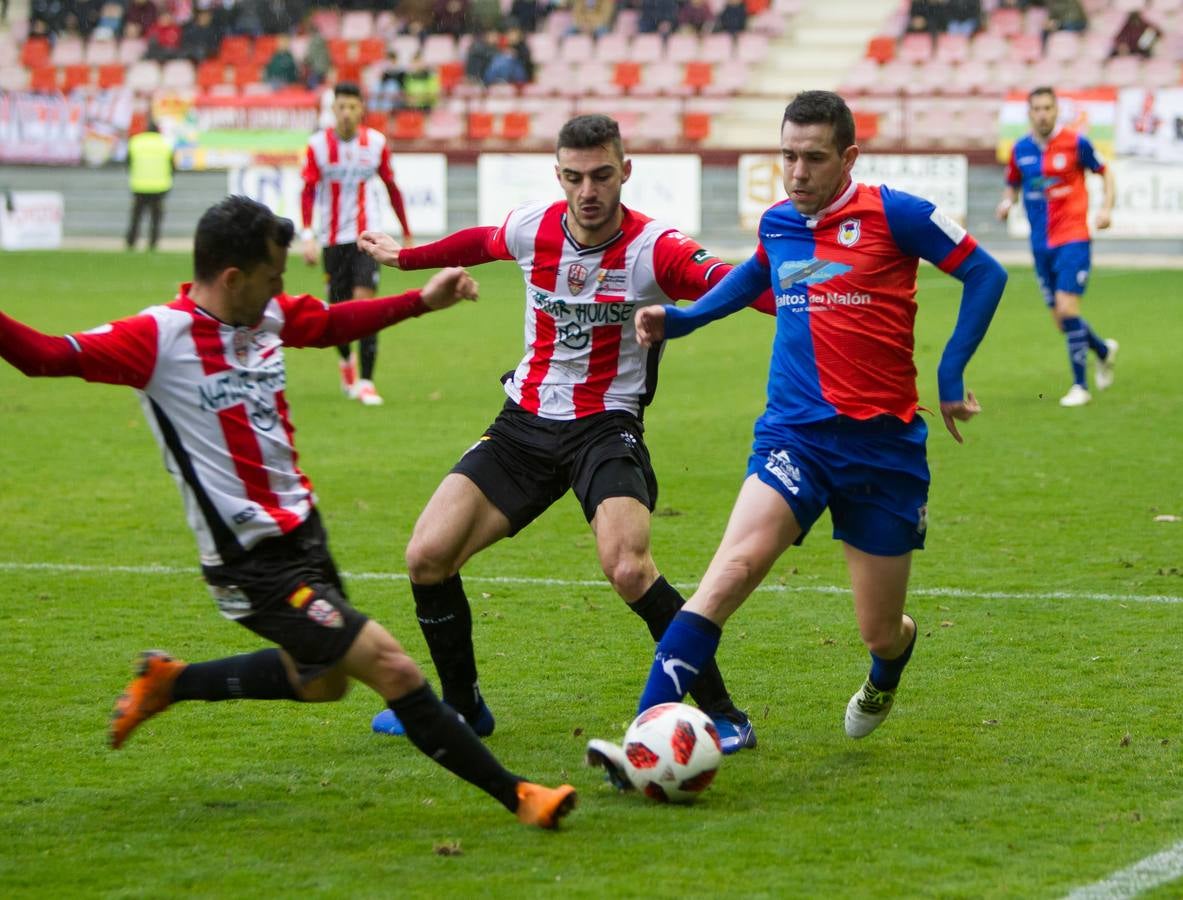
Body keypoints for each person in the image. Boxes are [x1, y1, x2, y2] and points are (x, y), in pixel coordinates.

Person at [0, 195, 577, 830]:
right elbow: (44, 356)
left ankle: (170, 682)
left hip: (304, 534)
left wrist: (420, 301)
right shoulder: (156, 341)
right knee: (391, 665)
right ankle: (521, 797)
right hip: (252, 565)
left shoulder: (264, 314)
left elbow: (330, 323)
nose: (283, 285)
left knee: (323, 683)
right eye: (274, 274)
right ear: (231, 278)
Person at [583, 91, 1007, 785]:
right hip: (795, 436)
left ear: (848, 157)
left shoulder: (894, 214)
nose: (797, 171)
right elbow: (756, 277)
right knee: (730, 572)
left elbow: (984, 273)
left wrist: (951, 369)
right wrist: (682, 319)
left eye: (813, 158)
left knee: (880, 627)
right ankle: (639, 739)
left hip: (883, 450)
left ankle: (885, 669)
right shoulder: (780, 224)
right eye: (787, 156)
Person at [357, 114, 772, 754]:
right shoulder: (535, 227)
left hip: (605, 429)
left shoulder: (653, 247)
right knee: (426, 557)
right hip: (522, 426)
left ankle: (725, 714)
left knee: (629, 567)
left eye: (602, 175)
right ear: (559, 175)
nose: (588, 191)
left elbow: (732, 284)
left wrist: (808, 297)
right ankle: (464, 707)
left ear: (624, 172)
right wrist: (405, 257)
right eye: (574, 177)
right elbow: (480, 240)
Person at [996, 86, 1117, 408]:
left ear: (1056, 110)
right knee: (1061, 320)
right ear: (1029, 113)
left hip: (1073, 236)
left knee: (1067, 308)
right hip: (1040, 244)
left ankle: (1081, 386)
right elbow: (1012, 184)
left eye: (1048, 108)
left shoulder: (1076, 142)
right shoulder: (1020, 149)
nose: (1043, 114)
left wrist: (1106, 209)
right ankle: (1103, 350)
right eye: (1037, 108)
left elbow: (1105, 173)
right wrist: (1007, 203)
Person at [301, 83, 414, 407]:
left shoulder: (376, 143)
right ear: (333, 110)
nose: (347, 113)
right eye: (341, 107)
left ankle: (366, 381)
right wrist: (307, 236)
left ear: (361, 109)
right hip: (332, 239)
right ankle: (345, 363)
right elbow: (308, 191)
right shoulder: (318, 146)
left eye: (353, 106)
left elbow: (392, 186)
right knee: (337, 313)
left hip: (367, 238)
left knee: (364, 307)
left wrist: (406, 231)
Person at [125, 120, 173, 252]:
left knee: (136, 216)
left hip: (139, 185)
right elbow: (173, 165)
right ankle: (153, 242)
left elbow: (128, 162)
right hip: (159, 186)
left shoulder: (136, 142)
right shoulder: (165, 144)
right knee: (155, 218)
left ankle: (131, 241)